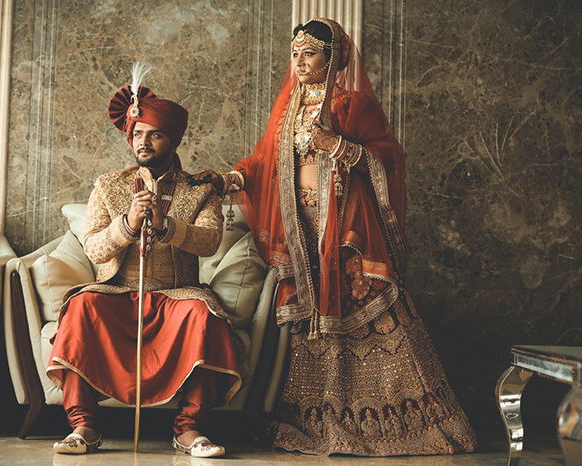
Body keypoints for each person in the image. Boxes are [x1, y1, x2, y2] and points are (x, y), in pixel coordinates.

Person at [194, 18, 477, 456]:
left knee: (363, 308)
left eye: (310, 53)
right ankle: (323, 418)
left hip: (345, 226)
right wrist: (231, 178)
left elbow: (386, 157)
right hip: (301, 229)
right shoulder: (287, 108)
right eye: (295, 53)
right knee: (315, 324)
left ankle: (404, 422)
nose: (300, 61)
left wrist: (337, 146)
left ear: (333, 58)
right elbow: (264, 161)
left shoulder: (352, 103)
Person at [48, 65, 240, 457]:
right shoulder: (109, 184)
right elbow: (94, 250)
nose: (144, 141)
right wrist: (128, 224)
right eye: (138, 133)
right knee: (81, 305)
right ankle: (84, 427)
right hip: (118, 292)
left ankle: (189, 430)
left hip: (176, 295)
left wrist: (167, 225)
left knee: (204, 316)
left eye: (155, 134)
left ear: (173, 139)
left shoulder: (200, 189)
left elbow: (209, 242)